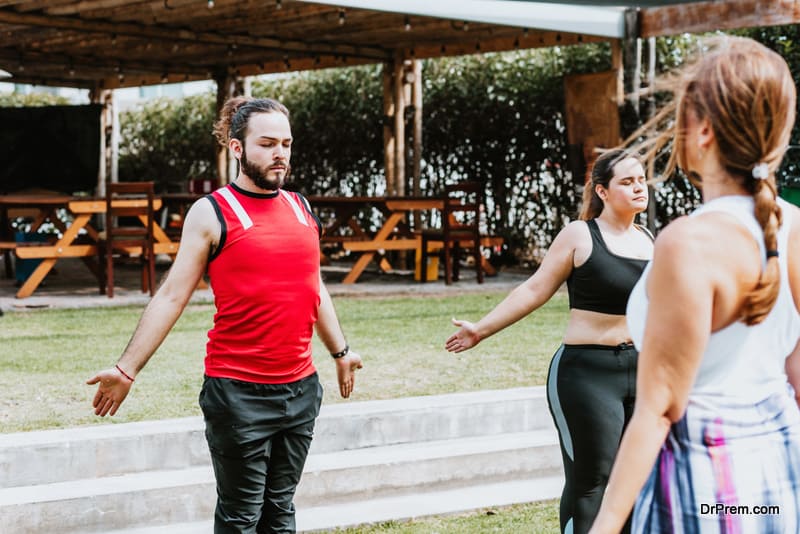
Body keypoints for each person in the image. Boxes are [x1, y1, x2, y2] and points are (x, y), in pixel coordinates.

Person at [86, 96, 363, 534]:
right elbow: (173, 295)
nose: (280, 155)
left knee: (281, 512)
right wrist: (127, 368)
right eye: (267, 143)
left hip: (300, 390)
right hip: (238, 393)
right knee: (241, 517)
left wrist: (341, 351)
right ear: (237, 148)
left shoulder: (300, 207)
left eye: (286, 144)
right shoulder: (213, 211)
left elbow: (314, 287)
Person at [590, 37, 800, 534]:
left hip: (708, 480)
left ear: (702, 130)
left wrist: (605, 525)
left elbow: (660, 406)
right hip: (779, 462)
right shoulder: (794, 225)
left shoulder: (687, 241)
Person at [445, 149, 654, 534]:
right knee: (592, 481)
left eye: (641, 179)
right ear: (603, 192)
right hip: (586, 374)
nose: (639, 186)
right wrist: (481, 329)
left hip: (642, 371)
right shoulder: (581, 235)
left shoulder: (649, 240)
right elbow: (534, 289)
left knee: (636, 480)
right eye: (627, 181)